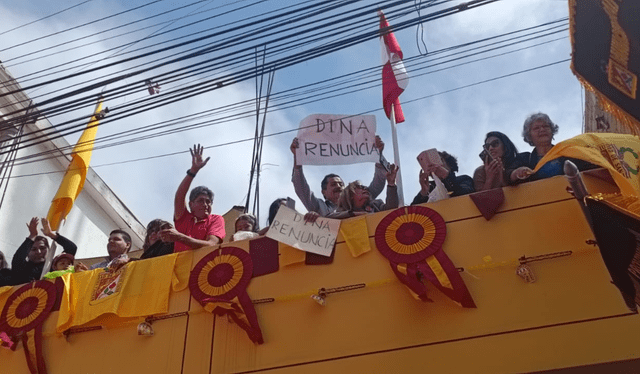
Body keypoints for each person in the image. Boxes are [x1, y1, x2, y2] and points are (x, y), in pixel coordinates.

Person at [290, 136, 388, 217]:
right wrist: (297, 161)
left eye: (341, 184)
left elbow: (378, 183)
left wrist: (378, 154)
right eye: (333, 184)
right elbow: (301, 189)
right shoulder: (319, 207)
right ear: (324, 192)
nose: (339, 186)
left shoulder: (360, 197)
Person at [160, 144, 225, 251]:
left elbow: (211, 245)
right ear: (191, 204)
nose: (205, 204)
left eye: (208, 202)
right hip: (179, 266)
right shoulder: (184, 218)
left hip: (203, 266)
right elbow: (179, 197)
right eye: (200, 201)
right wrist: (193, 171)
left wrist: (180, 237)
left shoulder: (216, 219)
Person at [508, 113, 595, 182]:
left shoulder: (568, 153)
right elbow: (506, 176)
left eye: (546, 126)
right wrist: (515, 173)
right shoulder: (524, 159)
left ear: (552, 131)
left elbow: (592, 168)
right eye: (536, 128)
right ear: (529, 136)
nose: (542, 129)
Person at [11, 217, 77, 285]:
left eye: (42, 248)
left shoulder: (55, 266)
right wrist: (32, 235)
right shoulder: (22, 268)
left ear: (48, 250)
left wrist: (51, 234)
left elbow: (72, 248)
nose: (39, 252)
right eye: (33, 249)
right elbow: (17, 258)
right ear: (27, 252)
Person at [328, 164, 399, 219]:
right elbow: (328, 219)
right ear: (350, 195)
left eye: (364, 187)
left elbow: (391, 210)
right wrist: (352, 214)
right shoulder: (341, 212)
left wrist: (391, 184)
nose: (365, 188)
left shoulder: (377, 205)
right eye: (360, 187)